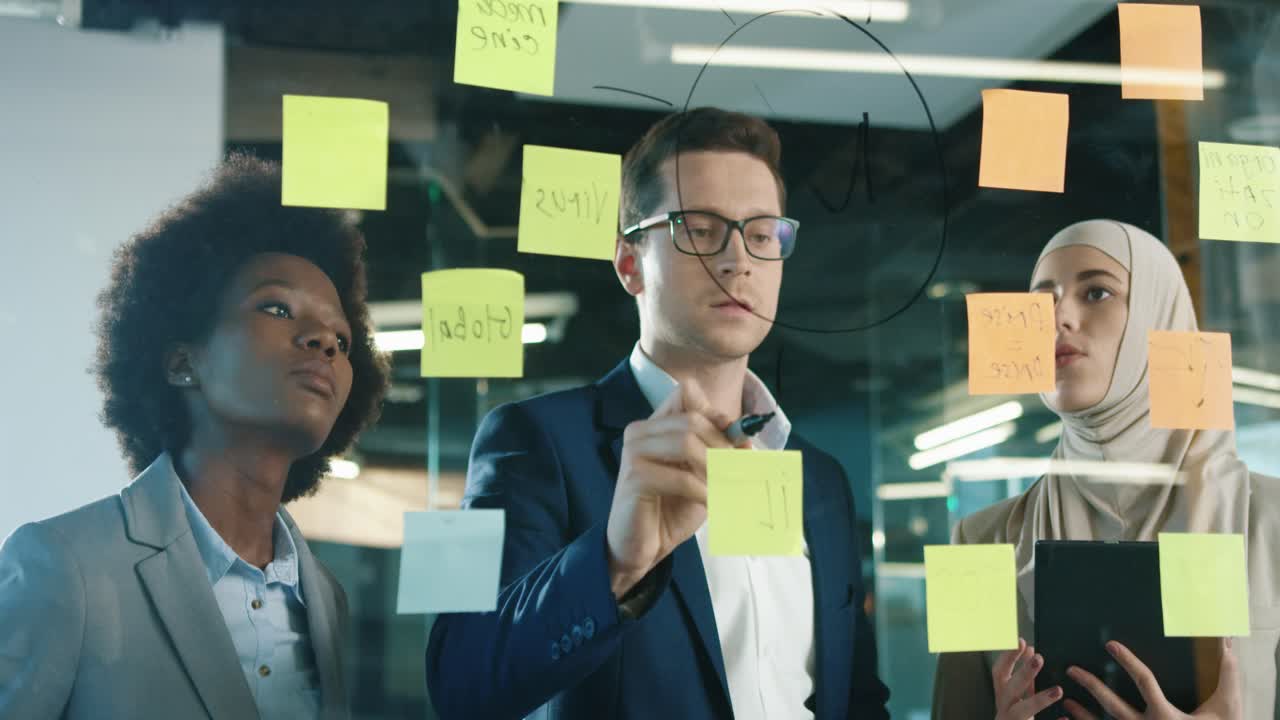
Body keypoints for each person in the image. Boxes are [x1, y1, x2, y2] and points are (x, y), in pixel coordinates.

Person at [426, 108, 890, 719]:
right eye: (699, 229)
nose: (738, 260)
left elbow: (854, 700)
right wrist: (614, 562)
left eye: (761, 234)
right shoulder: (529, 439)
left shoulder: (820, 479)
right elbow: (458, 679)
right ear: (629, 263)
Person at [0, 154, 390, 719]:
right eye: (278, 308)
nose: (324, 342)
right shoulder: (65, 564)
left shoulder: (325, 598)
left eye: (342, 339)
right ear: (183, 361)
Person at [931, 220, 1278, 719]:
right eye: (1042, 301)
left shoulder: (1271, 521)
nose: (1059, 318)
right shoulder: (976, 542)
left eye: (1096, 292)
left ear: (1159, 318)